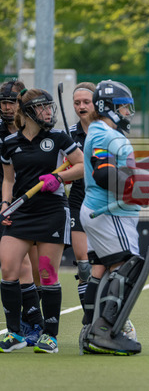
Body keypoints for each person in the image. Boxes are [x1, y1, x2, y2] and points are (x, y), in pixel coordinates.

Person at [79, 80, 149, 355]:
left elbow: (118, 174)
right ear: (109, 108)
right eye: (124, 108)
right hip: (108, 212)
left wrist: (144, 188)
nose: (128, 113)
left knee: (101, 270)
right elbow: (105, 174)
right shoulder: (106, 135)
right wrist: (142, 189)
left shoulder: (101, 132)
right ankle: (105, 332)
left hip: (100, 210)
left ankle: (90, 330)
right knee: (127, 267)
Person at [0, 88, 84, 353]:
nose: (49, 112)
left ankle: (50, 335)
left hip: (51, 212)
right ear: (27, 113)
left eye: (50, 107)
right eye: (42, 107)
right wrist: (5, 205)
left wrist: (58, 178)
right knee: (8, 269)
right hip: (21, 213)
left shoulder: (59, 138)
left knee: (47, 275)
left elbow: (82, 166)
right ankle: (15, 333)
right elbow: (8, 180)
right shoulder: (10, 142)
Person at [0, 80, 45, 347]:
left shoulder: (36, 130)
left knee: (38, 267)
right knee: (15, 264)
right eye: (3, 102)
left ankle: (35, 321)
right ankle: (27, 324)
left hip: (35, 204)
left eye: (12, 102)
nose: (7, 107)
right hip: (8, 203)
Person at [68, 82, 96, 311]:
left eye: (86, 102)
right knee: (84, 266)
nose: (81, 106)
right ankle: (89, 319)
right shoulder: (68, 135)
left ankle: (109, 316)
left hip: (104, 202)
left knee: (105, 265)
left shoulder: (109, 132)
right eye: (77, 103)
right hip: (78, 200)